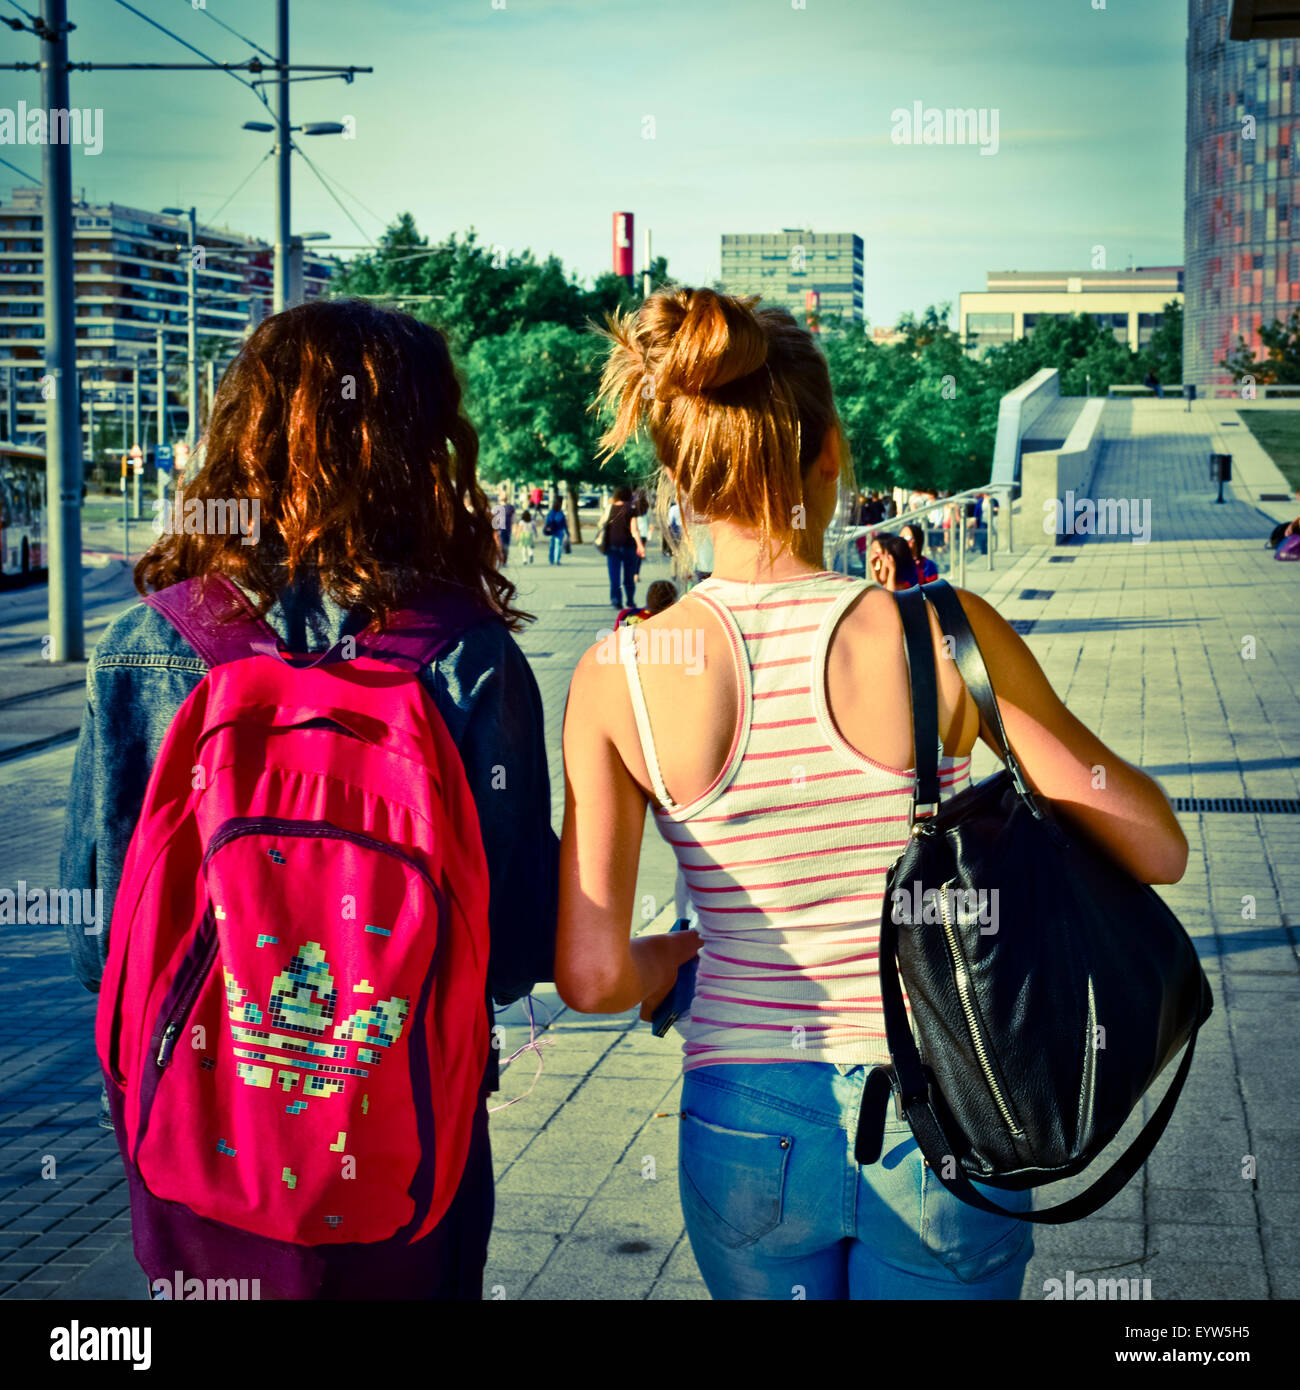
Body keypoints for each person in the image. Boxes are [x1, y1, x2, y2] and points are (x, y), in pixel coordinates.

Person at [556, 286, 1188, 1301]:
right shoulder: (939, 631)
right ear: (828, 447)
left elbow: (589, 977)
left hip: (743, 1117)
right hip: (944, 1104)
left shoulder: (615, 672)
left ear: (674, 471)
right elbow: (1154, 847)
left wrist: (675, 952)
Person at [60, 298, 559, 1300]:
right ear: (423, 448)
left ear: (237, 432)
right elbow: (510, 946)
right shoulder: (464, 657)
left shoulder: (151, 643)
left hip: (200, 1151)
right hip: (409, 1158)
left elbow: (93, 941)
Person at [602, 483, 645, 609]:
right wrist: (640, 545)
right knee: (629, 576)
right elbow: (634, 530)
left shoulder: (610, 508)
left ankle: (616, 600)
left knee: (614, 575)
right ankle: (630, 601)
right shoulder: (631, 509)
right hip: (628, 546)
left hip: (612, 546)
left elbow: (602, 524)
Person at [493, 483, 516, 565]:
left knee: (505, 546)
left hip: (506, 529)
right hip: (501, 530)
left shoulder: (509, 507)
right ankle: (502, 560)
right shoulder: (497, 507)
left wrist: (514, 527)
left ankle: (504, 560)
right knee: (502, 546)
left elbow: (513, 518)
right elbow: (495, 521)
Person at [544, 494, 568, 564]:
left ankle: (551, 559)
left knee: (552, 546)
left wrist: (546, 528)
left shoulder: (551, 513)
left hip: (552, 531)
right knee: (558, 546)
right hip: (559, 531)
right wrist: (567, 532)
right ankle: (557, 559)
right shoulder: (560, 513)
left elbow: (547, 522)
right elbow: (564, 524)